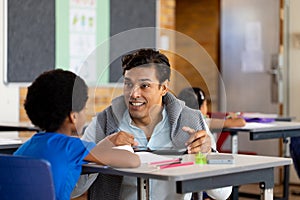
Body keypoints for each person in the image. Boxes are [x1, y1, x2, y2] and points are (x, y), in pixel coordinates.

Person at [75, 49, 232, 200]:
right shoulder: (104, 123)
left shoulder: (192, 120)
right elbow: (74, 189)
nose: (134, 94)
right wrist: (99, 153)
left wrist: (207, 156)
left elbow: (222, 194)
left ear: (163, 88)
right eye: (128, 84)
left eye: (144, 86)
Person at [13, 69, 140, 200]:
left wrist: (108, 141)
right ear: (73, 117)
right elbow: (132, 161)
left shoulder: (25, 147)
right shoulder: (71, 147)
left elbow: (94, 154)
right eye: (84, 109)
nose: (85, 113)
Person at [177, 87, 246, 130]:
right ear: (202, 107)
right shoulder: (204, 122)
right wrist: (234, 117)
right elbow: (241, 122)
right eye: (206, 104)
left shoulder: (178, 121)